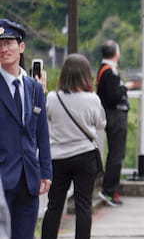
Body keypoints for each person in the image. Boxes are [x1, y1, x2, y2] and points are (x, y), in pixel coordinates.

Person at [41, 54, 106, 239]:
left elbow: (47, 121)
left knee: (54, 206)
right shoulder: (92, 99)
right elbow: (101, 123)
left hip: (58, 158)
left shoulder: (53, 98)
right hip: (85, 157)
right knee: (84, 206)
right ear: (86, 75)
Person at [0, 19, 52, 239]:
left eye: (9, 42)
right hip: (2, 179)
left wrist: (46, 171)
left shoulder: (33, 87)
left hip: (29, 179)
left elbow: (42, 133)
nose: (3, 49)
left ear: (21, 47)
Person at [96, 40, 129, 206]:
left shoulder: (105, 70)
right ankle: (108, 190)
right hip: (114, 116)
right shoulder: (108, 72)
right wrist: (124, 89)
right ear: (116, 53)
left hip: (112, 116)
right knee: (116, 154)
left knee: (116, 154)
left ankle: (110, 189)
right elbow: (113, 97)